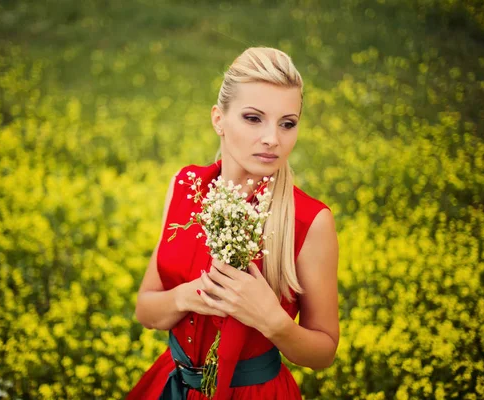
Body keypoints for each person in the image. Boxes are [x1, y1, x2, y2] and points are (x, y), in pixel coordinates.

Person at [127, 47, 339, 400]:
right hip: (172, 386)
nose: (273, 138)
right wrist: (187, 296)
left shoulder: (310, 221)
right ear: (218, 120)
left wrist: (272, 320)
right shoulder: (185, 186)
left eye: (287, 123)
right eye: (254, 118)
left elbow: (323, 351)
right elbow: (146, 309)